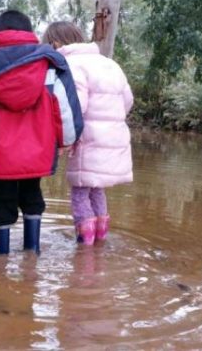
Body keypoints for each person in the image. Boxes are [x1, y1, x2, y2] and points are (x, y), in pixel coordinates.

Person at [0, 11, 83, 254]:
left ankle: (0, 262)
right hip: (38, 151)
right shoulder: (49, 64)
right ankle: (32, 254)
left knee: (0, 203)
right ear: (29, 32)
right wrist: (66, 140)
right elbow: (64, 108)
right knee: (32, 195)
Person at [42, 21, 133, 245]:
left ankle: (85, 248)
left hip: (87, 139)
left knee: (80, 192)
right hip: (113, 137)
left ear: (55, 44)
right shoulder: (109, 64)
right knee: (96, 189)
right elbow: (128, 101)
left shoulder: (71, 65)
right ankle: (100, 242)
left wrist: (63, 138)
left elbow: (75, 107)